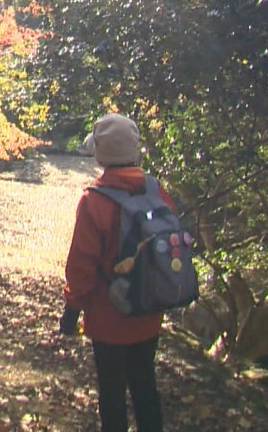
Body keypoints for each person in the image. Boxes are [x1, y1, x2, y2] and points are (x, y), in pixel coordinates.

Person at [60, 113, 169, 432]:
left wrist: (72, 311)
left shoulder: (94, 200)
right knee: (145, 385)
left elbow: (82, 265)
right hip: (149, 310)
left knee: (111, 393)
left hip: (109, 317)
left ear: (101, 154)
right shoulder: (156, 191)